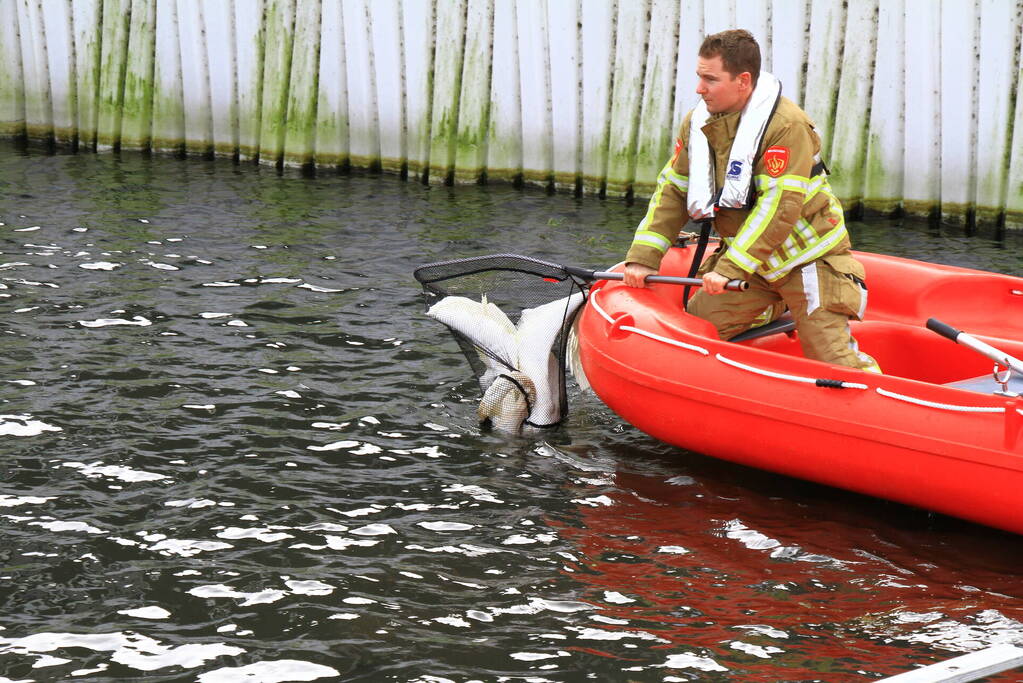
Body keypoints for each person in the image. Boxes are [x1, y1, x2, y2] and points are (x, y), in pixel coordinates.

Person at [622, 29, 880, 373]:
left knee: (833, 359)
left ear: (743, 81)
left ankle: (875, 407)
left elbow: (779, 209)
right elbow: (673, 190)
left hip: (807, 260)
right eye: (699, 77)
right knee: (696, 328)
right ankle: (774, 306)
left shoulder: (787, 126)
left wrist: (730, 269)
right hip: (753, 266)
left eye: (710, 79)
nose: (699, 88)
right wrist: (643, 257)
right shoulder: (698, 122)